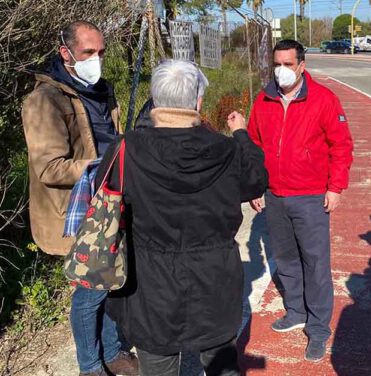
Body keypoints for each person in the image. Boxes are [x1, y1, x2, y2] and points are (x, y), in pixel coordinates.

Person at [97, 59, 268, 376]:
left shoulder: (126, 149)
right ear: (198, 102)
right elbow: (257, 179)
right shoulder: (228, 150)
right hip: (214, 278)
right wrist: (242, 134)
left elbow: (104, 195)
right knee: (221, 364)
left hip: (150, 283)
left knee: (158, 364)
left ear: (155, 100)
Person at [21, 21, 138, 376]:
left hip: (109, 202)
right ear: (66, 53)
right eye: (89, 53)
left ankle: (114, 351)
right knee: (90, 294)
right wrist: (107, 164)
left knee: (112, 282)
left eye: (101, 52)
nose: (96, 60)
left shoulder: (102, 90)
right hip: (75, 212)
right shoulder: (44, 100)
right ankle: (91, 366)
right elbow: (50, 169)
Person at [247, 39, 354, 361]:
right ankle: (296, 311)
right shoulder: (263, 99)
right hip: (275, 196)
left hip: (310, 197)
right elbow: (252, 145)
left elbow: (342, 146)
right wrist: (254, 187)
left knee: (316, 264)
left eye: (288, 64)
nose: (281, 70)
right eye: (276, 64)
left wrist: (335, 187)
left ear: (302, 66)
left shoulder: (324, 99)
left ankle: (319, 328)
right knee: (287, 260)